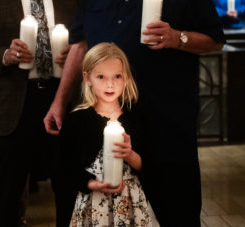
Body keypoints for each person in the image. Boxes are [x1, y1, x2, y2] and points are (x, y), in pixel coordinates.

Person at [45, 0, 226, 226]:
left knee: (176, 206)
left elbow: (215, 40)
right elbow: (80, 45)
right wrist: (59, 101)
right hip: (106, 120)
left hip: (167, 121)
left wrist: (177, 38)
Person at [0, 0, 76, 226]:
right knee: (6, 191)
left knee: (68, 185)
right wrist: (5, 55)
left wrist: (76, 54)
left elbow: (89, 39)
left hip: (64, 98)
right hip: (14, 103)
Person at [58, 42, 158, 226]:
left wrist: (129, 154)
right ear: (87, 78)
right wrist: (91, 183)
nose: (110, 84)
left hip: (131, 202)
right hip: (93, 204)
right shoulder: (77, 121)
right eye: (101, 76)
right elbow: (64, 166)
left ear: (126, 77)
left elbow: (151, 164)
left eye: (117, 76)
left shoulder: (137, 117)